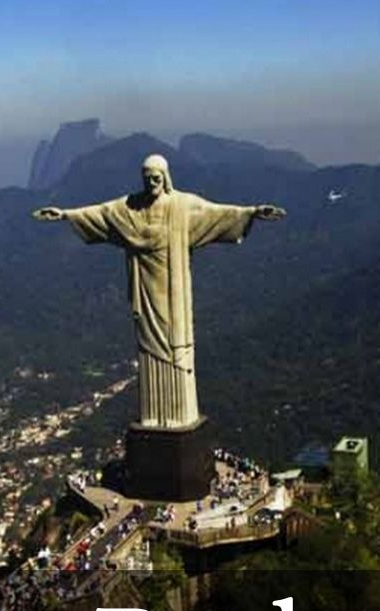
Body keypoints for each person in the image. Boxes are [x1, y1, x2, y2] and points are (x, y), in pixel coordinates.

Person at [34, 154, 285, 429]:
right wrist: (65, 215)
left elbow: (217, 213)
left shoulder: (182, 205)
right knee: (149, 346)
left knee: (176, 345)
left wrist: (253, 212)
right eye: (148, 178)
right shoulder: (129, 208)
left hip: (174, 293)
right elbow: (102, 214)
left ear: (165, 178)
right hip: (145, 291)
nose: (152, 182)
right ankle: (154, 415)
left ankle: (179, 415)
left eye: (156, 177)